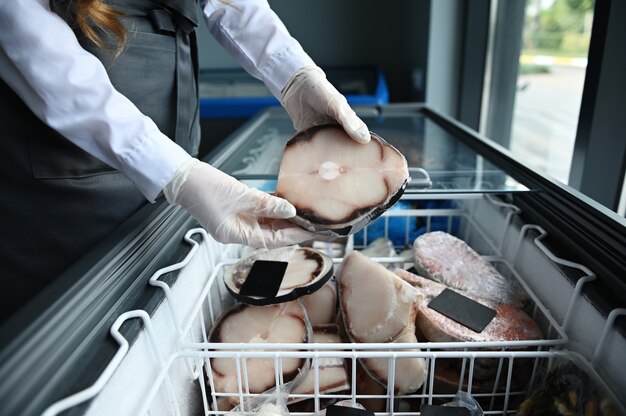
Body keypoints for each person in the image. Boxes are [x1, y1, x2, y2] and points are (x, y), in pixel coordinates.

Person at [0, 0, 370, 320]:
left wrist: (293, 74)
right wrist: (172, 171)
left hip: (172, 134)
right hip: (65, 177)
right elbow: (24, 33)